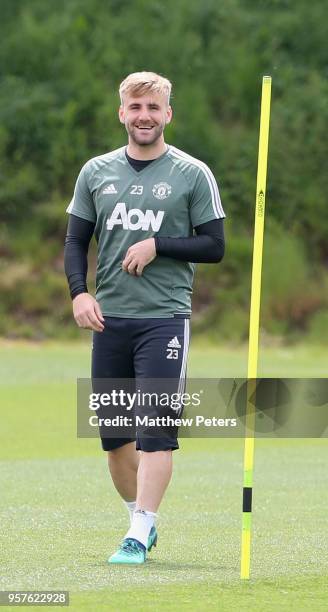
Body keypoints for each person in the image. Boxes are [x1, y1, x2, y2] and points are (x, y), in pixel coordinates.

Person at [64, 71, 225, 564]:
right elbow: (75, 241)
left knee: (155, 427)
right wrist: (79, 293)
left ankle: (139, 530)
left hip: (164, 319)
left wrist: (159, 244)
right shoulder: (96, 172)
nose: (144, 116)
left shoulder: (192, 173)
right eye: (136, 107)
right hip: (110, 320)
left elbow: (215, 245)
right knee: (115, 438)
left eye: (153, 108)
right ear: (122, 113)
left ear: (168, 114)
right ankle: (139, 516)